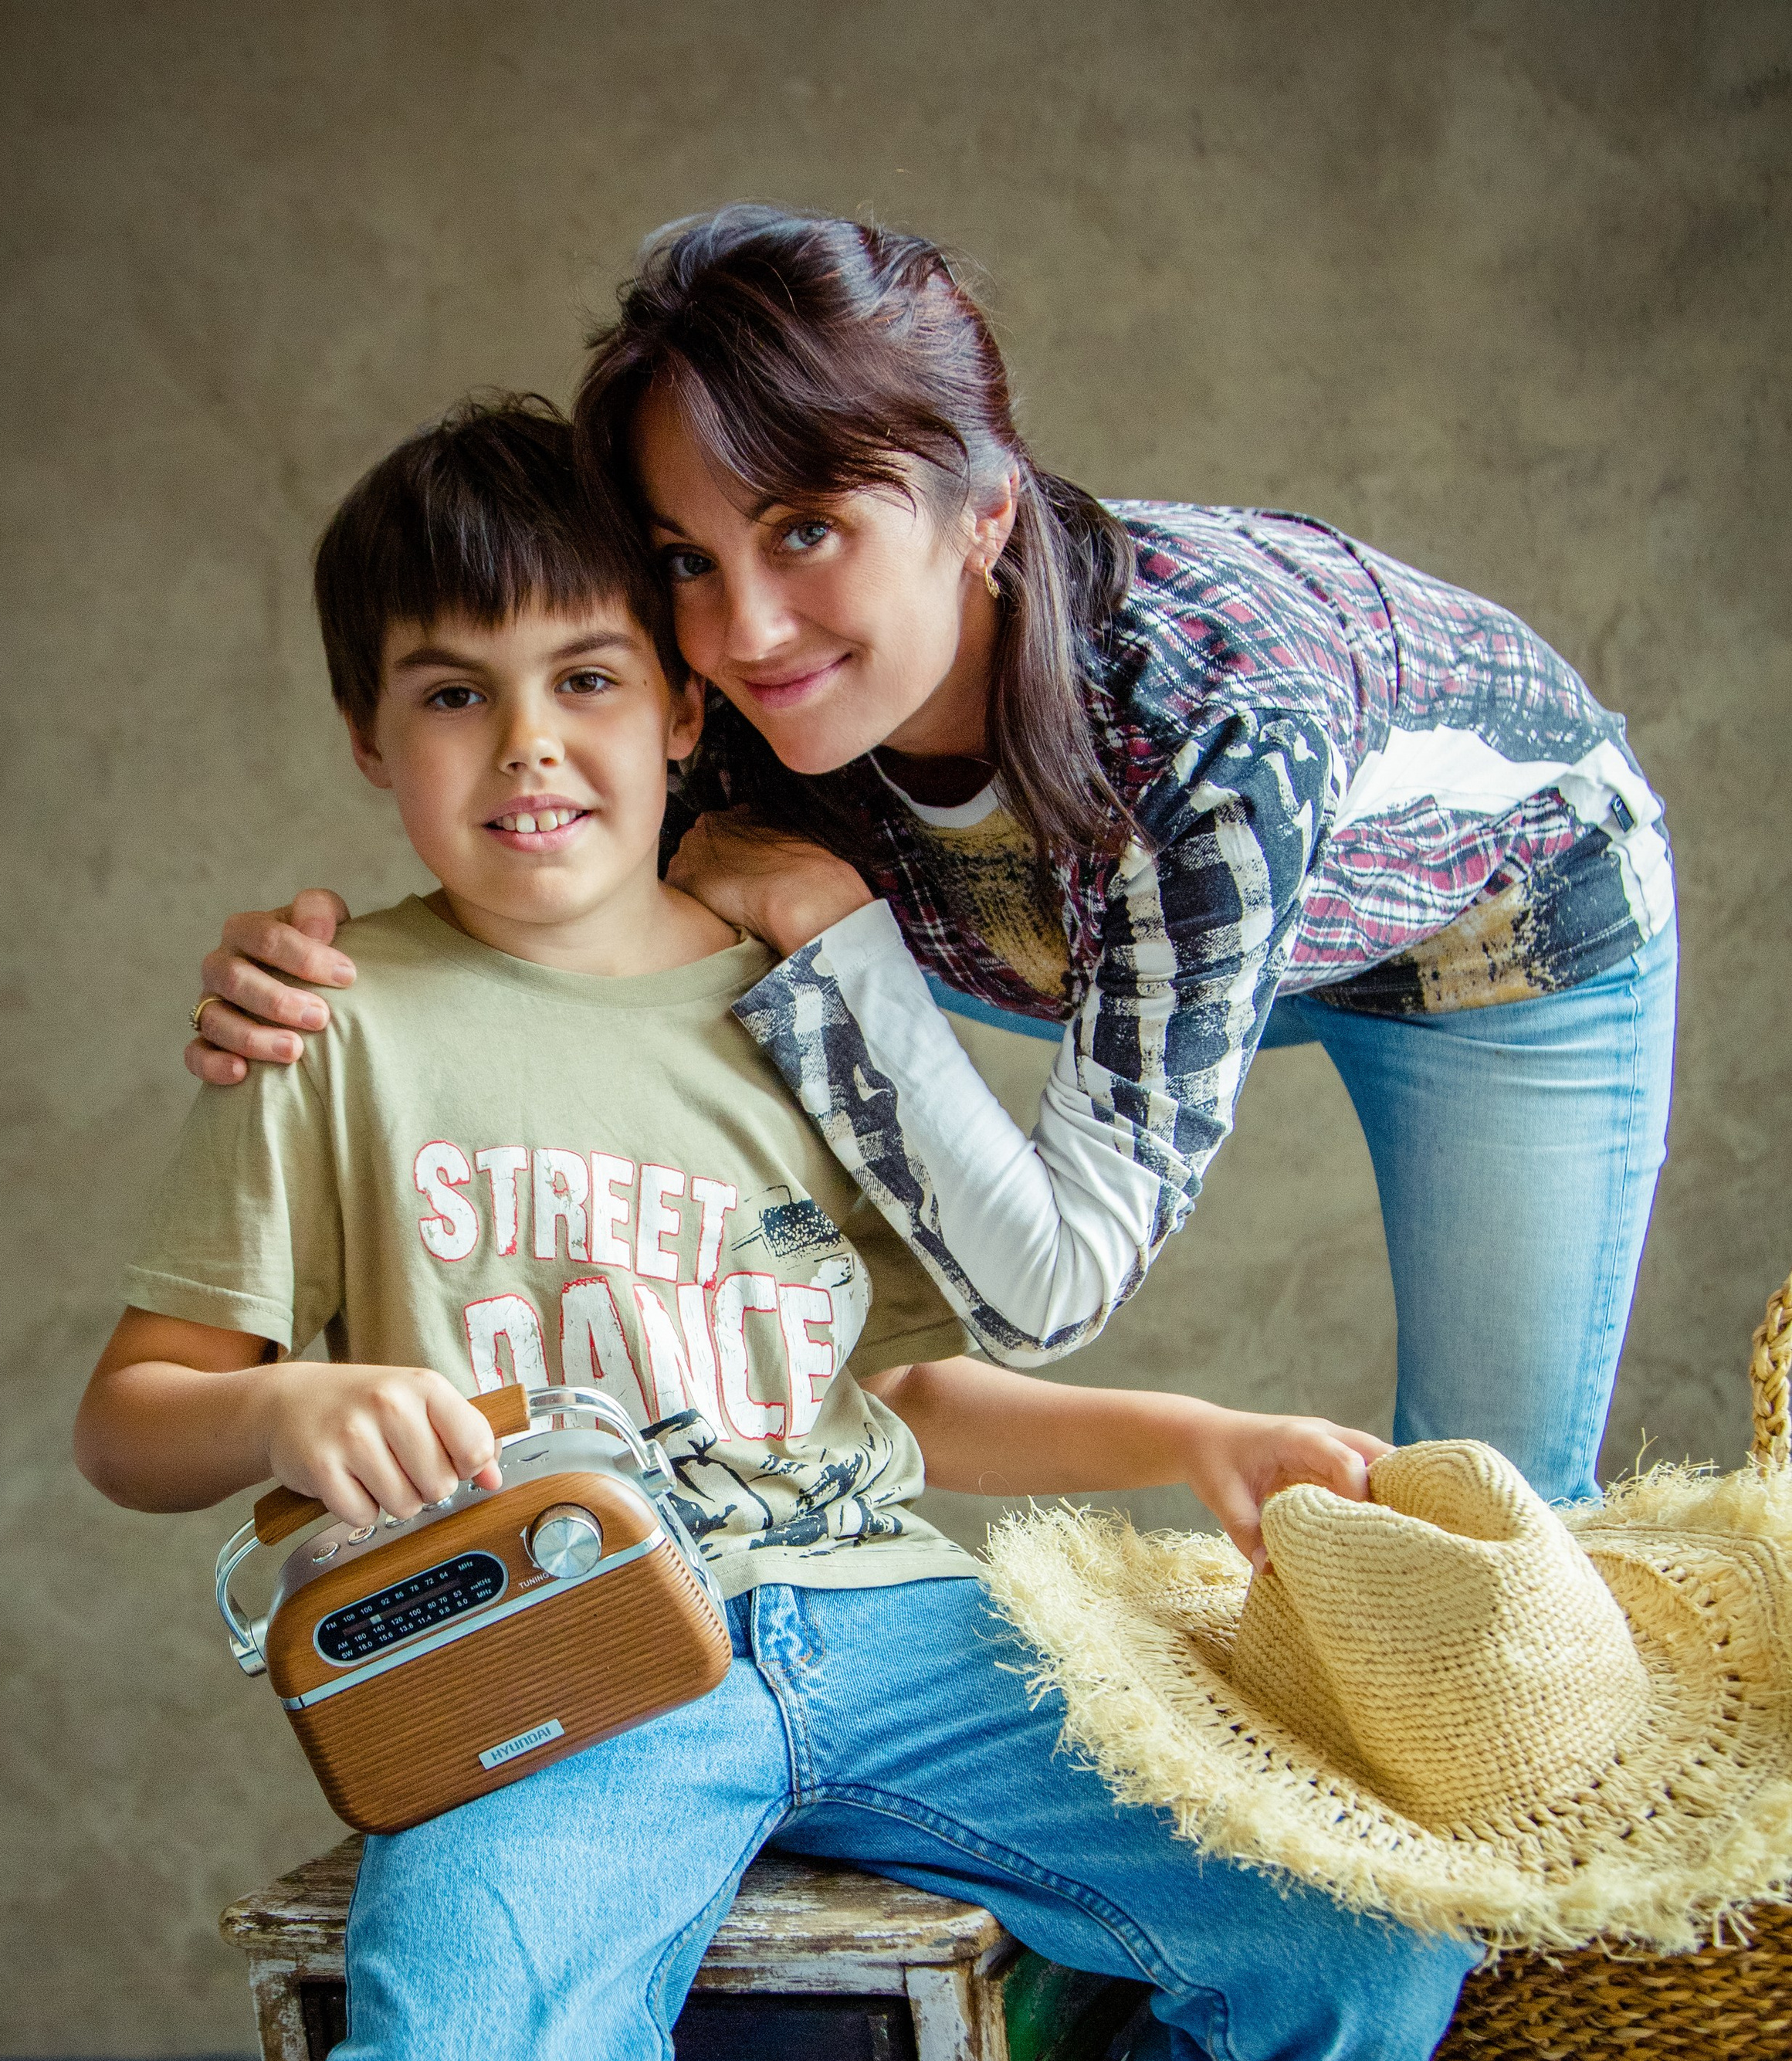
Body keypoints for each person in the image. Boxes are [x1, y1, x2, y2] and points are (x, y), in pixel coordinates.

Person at [79, 397, 1475, 2061]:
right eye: (455, 691)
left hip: (880, 1620)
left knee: (1358, 1936)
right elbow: (133, 1420)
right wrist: (293, 1399)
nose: (530, 746)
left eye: (590, 676)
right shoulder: (336, 1025)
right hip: (564, 1672)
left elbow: (905, 1387)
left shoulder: (790, 997)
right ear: (370, 735)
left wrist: (1186, 1428)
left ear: (689, 701)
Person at [187, 208, 1677, 1512]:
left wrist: (835, 935)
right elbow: (542, 856)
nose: (747, 630)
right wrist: (315, 975)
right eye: (689, 558)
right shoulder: (737, 695)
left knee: (1500, 1511)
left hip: (1500, 940)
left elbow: (1049, 1291)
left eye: (809, 528)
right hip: (1079, 938)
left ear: (987, 510)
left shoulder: (1214, 723)